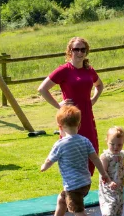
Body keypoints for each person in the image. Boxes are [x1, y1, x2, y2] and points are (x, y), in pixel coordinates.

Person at [40, 105, 115, 216]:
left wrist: (44, 167)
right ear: (79, 125)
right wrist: (104, 174)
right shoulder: (85, 141)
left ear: (60, 127)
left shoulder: (60, 144)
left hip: (73, 186)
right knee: (62, 199)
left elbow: (50, 160)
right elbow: (95, 158)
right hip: (85, 183)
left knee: (78, 211)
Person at [38, 37, 103, 175]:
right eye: (76, 49)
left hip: (87, 117)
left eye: (82, 49)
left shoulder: (89, 70)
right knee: (71, 153)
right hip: (70, 118)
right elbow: (42, 89)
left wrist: (93, 99)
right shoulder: (64, 70)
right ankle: (70, 189)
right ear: (70, 51)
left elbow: (99, 85)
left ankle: (82, 188)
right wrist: (59, 106)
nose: (79, 52)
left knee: (91, 151)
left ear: (86, 52)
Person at [99, 126, 124, 216]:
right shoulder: (105, 156)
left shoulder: (121, 155)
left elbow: (122, 166)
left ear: (123, 142)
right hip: (108, 183)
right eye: (112, 144)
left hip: (118, 182)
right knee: (111, 200)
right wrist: (109, 182)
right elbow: (103, 171)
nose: (116, 147)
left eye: (119, 144)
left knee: (118, 199)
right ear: (107, 141)